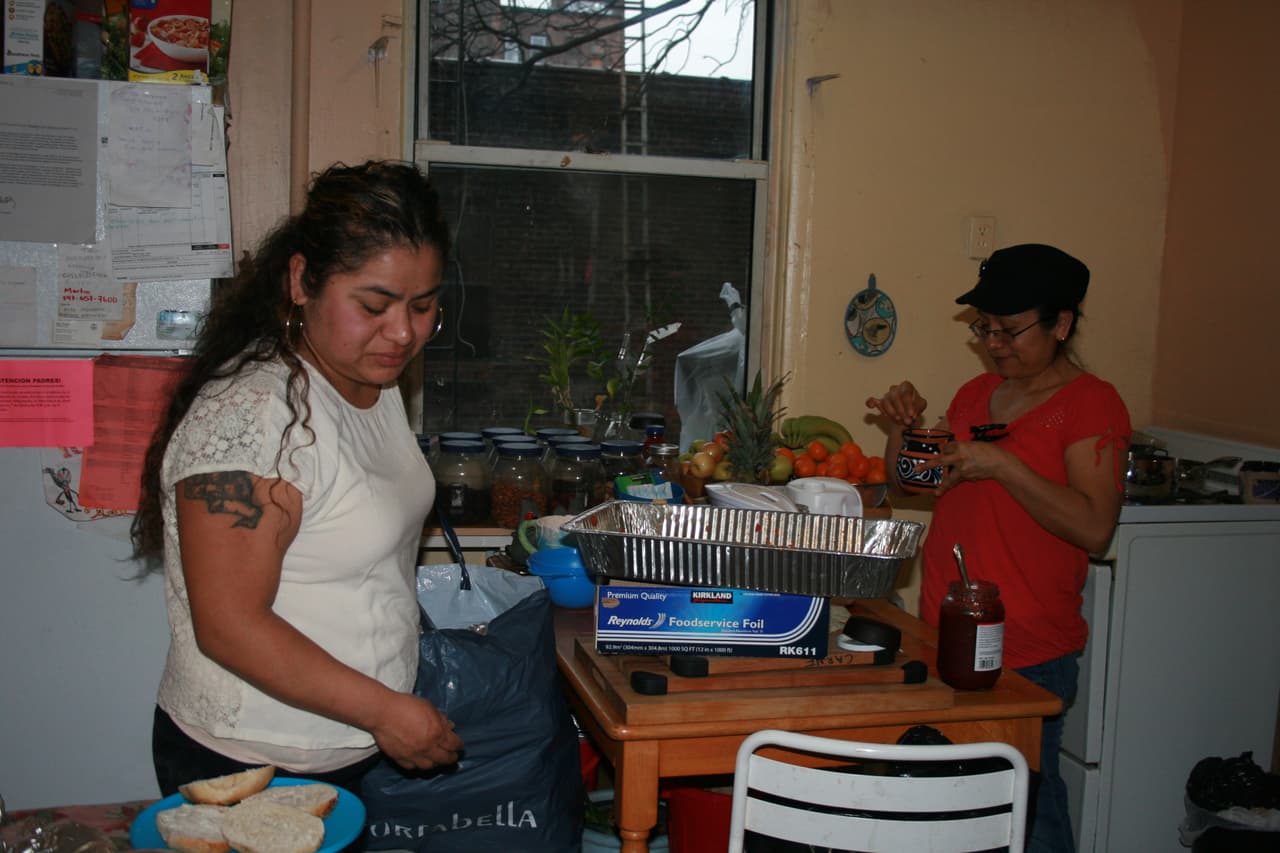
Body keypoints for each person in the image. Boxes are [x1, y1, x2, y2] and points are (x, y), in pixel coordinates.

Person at [130, 160, 464, 796]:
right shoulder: (253, 417)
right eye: (374, 304)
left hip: (340, 744)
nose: (402, 332)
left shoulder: (371, 379)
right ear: (301, 281)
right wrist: (386, 711)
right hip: (251, 764)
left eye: (423, 307)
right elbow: (230, 625)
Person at [866, 243, 1131, 853]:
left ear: (1061, 324)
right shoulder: (976, 392)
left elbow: (1095, 528)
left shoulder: (1091, 403)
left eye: (1009, 329)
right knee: (952, 812)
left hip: (1026, 646)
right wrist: (905, 428)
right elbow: (915, 483)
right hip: (945, 627)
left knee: (1024, 812)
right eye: (986, 329)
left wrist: (1002, 464)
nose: (994, 343)